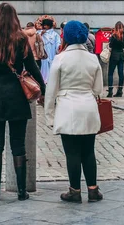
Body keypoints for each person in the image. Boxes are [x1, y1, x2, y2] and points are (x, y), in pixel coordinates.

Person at [0, 3, 45, 202]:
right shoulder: (21, 39)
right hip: (16, 96)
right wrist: (42, 89)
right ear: (14, 19)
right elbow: (32, 67)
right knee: (18, 143)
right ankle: (22, 191)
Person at [44, 20, 103, 203]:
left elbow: (51, 90)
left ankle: (75, 190)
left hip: (68, 107)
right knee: (88, 151)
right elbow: (98, 89)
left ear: (66, 37)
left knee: (72, 153)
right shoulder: (93, 58)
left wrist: (49, 116)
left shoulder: (60, 58)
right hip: (88, 107)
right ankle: (93, 190)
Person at [107, 21, 124, 97]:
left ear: (116, 27)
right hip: (121, 55)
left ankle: (110, 91)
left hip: (114, 56)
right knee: (121, 73)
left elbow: (110, 45)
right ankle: (120, 90)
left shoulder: (114, 36)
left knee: (110, 73)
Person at [39, 18, 61, 83]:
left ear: (49, 25)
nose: (44, 27)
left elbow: (58, 46)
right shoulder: (39, 33)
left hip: (52, 57)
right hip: (42, 57)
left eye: (45, 25)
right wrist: (40, 35)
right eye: (43, 25)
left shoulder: (55, 35)